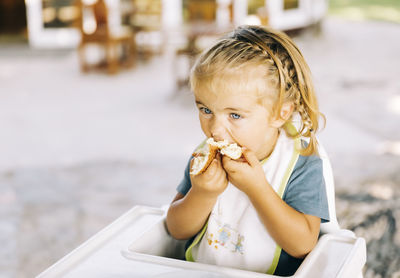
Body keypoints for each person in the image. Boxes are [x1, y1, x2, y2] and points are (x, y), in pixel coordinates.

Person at [166, 25, 330, 276]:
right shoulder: (205, 158)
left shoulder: (300, 162)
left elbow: (303, 244)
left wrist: (257, 188)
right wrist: (202, 193)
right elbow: (176, 229)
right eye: (206, 110)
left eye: (235, 115)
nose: (216, 130)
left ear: (280, 113)